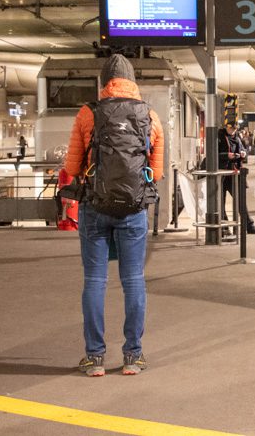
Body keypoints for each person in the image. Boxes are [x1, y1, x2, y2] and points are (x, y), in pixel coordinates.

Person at [64, 54, 164, 377]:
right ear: (132, 80)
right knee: (133, 279)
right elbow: (157, 173)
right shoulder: (150, 115)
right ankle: (133, 356)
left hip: (94, 206)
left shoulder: (88, 113)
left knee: (95, 280)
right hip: (133, 209)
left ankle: (95, 358)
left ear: (104, 81)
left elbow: (70, 168)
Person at [219, 122, 255, 236]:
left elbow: (243, 148)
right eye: (231, 129)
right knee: (221, 202)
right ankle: (225, 228)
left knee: (240, 201)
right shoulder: (219, 136)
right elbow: (212, 154)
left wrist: (243, 153)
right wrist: (226, 155)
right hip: (222, 174)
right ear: (226, 127)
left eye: (235, 129)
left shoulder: (237, 136)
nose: (233, 131)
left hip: (235, 172)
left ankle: (249, 226)